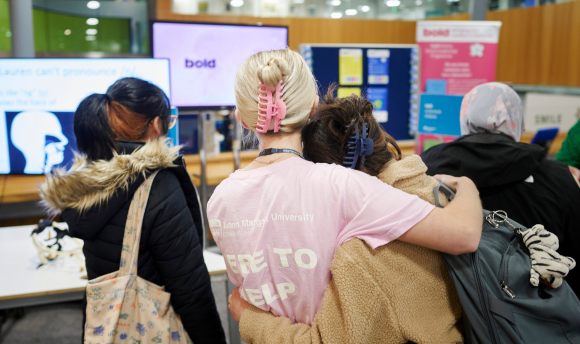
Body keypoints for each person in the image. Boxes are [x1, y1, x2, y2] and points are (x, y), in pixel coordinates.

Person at [208, 49, 482, 328]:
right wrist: (467, 184)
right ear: (313, 108)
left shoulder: (220, 199)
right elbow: (465, 234)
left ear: (241, 118)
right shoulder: (341, 186)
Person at [39, 77, 226, 344]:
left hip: (106, 326)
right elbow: (190, 288)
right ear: (155, 126)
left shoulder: (86, 183)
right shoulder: (158, 186)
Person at [421, 82, 580, 295]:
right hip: (536, 312)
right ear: (517, 122)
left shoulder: (425, 170)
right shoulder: (558, 177)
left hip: (449, 304)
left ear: (465, 120)